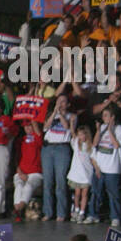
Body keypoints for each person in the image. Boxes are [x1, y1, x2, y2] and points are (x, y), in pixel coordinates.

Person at [86, 105, 121, 226]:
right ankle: (93, 214)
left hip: (112, 167)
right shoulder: (101, 127)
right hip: (99, 165)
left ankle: (115, 216)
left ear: (112, 117)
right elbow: (95, 144)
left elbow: (117, 145)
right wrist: (98, 130)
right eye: (103, 115)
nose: (103, 118)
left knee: (113, 193)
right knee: (95, 192)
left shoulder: (119, 129)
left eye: (106, 115)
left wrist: (110, 130)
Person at [40, 94, 76, 223]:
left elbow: (66, 127)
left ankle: (61, 213)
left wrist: (60, 114)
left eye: (63, 101)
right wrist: (54, 112)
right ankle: (48, 212)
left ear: (68, 104)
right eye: (59, 101)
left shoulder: (72, 116)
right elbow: (45, 127)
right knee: (47, 182)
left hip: (62, 148)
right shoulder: (51, 114)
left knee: (60, 182)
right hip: (48, 148)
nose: (60, 103)